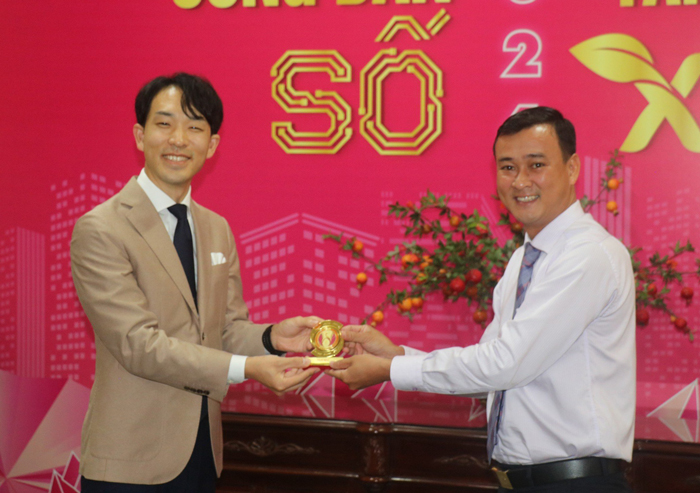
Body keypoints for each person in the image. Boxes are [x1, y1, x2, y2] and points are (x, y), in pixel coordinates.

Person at [327, 107, 636, 492]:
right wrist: (395, 355)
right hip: (521, 481)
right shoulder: (524, 258)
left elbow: (506, 364)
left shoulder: (587, 255)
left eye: (536, 164)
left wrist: (389, 371)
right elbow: (492, 370)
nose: (520, 181)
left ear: (572, 168)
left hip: (577, 483)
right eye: (507, 167)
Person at [71, 73, 321, 492]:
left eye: (194, 127)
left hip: (203, 455)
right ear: (140, 135)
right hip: (130, 463)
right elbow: (138, 345)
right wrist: (248, 369)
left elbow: (224, 330)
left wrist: (272, 338)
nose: (178, 140)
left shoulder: (216, 228)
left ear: (212, 144)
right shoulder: (101, 229)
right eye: (164, 123)